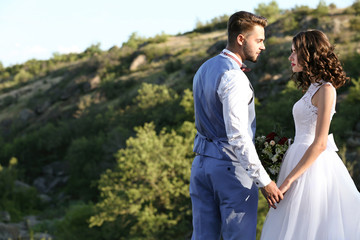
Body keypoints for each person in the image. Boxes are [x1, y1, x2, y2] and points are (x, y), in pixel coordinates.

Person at [189, 11, 283, 240]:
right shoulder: (234, 77)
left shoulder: (204, 68)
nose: (263, 47)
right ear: (241, 39)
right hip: (230, 170)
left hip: (200, 166)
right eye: (259, 40)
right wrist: (264, 181)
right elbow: (239, 136)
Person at [261, 29, 360, 240]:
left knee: (312, 228)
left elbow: (321, 142)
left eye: (295, 51)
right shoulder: (312, 87)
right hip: (297, 157)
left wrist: (287, 181)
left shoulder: (326, 89)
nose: (290, 57)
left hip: (314, 168)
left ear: (310, 53)